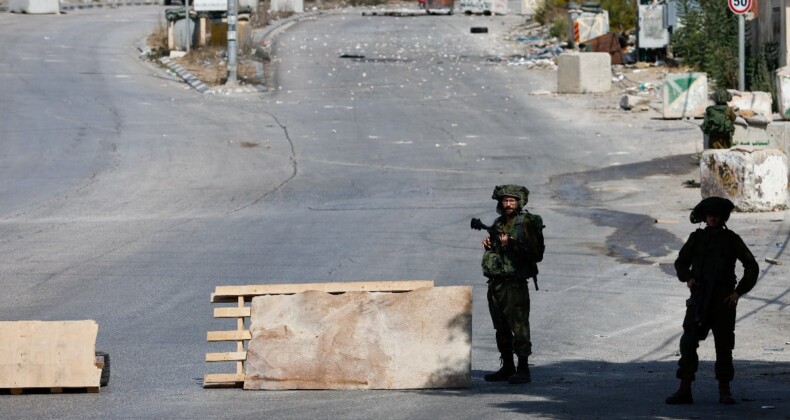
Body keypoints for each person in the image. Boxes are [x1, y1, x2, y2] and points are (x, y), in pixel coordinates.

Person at [666, 196, 758, 405]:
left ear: (723, 217)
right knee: (688, 342)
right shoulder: (696, 238)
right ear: (705, 217)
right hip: (699, 298)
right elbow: (681, 262)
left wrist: (737, 292)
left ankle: (724, 390)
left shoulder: (732, 240)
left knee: (724, 346)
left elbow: (751, 266)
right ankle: (684, 389)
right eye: (709, 215)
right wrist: (688, 278)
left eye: (716, 215)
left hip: (723, 301)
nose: (713, 219)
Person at [480, 185, 544, 384]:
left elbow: (536, 254)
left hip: (515, 284)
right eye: (505, 201)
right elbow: (497, 252)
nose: (508, 204)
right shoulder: (499, 223)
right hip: (496, 283)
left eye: (512, 201)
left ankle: (523, 369)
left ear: (519, 202)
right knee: (501, 327)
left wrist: (512, 245)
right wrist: (491, 244)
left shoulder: (527, 223)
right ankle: (507, 366)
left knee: (519, 327)